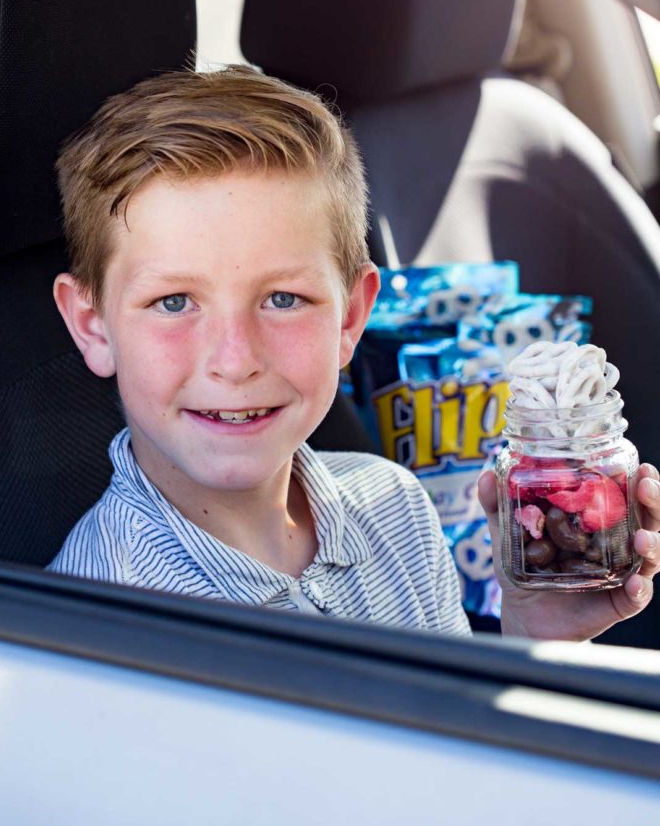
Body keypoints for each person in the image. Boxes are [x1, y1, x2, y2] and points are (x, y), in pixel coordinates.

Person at [48, 65, 660, 641]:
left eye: (283, 298)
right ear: (93, 326)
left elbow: (450, 739)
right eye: (175, 302)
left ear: (350, 317)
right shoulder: (104, 626)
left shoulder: (394, 505)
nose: (234, 361)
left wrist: (535, 634)